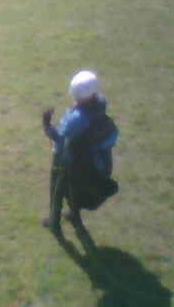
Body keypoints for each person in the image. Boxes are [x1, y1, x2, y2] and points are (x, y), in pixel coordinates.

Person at [41, 70, 118, 235]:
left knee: (57, 191)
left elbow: (59, 137)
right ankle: (74, 216)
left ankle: (54, 222)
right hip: (87, 162)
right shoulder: (100, 103)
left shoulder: (76, 118)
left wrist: (46, 124)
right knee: (75, 190)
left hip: (67, 160)